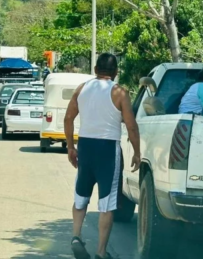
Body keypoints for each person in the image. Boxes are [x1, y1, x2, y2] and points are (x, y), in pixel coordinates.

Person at [65, 53, 140, 259]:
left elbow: (68, 118)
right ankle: (101, 252)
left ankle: (76, 236)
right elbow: (131, 126)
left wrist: (71, 147)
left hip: (86, 147)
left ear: (96, 69)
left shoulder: (82, 89)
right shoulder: (120, 93)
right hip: (107, 150)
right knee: (107, 203)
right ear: (116, 72)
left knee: (81, 195)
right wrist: (137, 152)